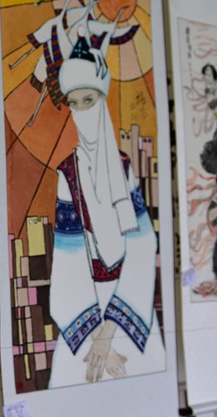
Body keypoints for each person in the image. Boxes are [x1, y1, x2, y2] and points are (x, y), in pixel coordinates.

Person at [47, 25, 164, 387]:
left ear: (102, 99)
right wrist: (96, 339)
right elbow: (67, 262)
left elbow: (142, 244)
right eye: (75, 103)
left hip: (130, 302)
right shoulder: (67, 174)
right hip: (86, 307)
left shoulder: (125, 169)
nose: (82, 110)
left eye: (89, 101)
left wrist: (110, 331)